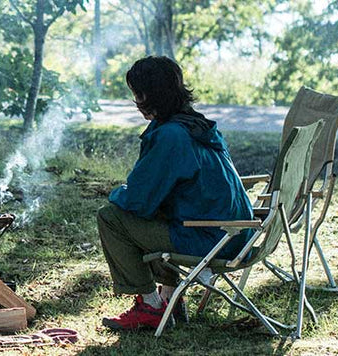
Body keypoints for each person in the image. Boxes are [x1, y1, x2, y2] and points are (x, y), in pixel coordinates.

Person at [97, 56, 255, 331]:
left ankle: (151, 306)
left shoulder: (172, 136)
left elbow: (137, 200)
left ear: (147, 94)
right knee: (161, 211)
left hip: (210, 239)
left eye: (136, 93)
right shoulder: (198, 125)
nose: (135, 100)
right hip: (237, 234)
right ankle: (170, 298)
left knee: (111, 217)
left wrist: (116, 193)